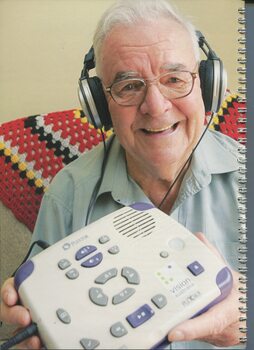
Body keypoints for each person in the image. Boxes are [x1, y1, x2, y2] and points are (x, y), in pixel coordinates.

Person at [0, 0, 245, 349]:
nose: (156, 107)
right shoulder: (68, 195)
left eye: (174, 79)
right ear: (100, 105)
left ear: (208, 86)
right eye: (129, 86)